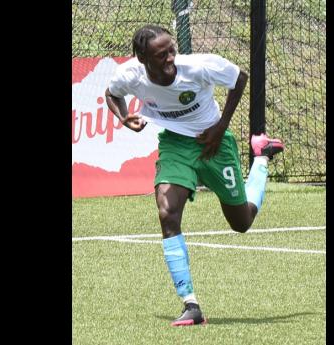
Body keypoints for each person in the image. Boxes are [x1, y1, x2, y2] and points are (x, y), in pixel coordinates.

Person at [105, 24, 284, 327]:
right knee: (167, 212)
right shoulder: (130, 74)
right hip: (175, 145)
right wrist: (124, 118)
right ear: (142, 58)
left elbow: (239, 78)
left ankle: (262, 157)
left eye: (171, 50)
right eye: (161, 55)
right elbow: (112, 93)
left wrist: (220, 127)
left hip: (214, 143)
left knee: (242, 222)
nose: (170, 58)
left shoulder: (197, 67)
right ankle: (191, 304)